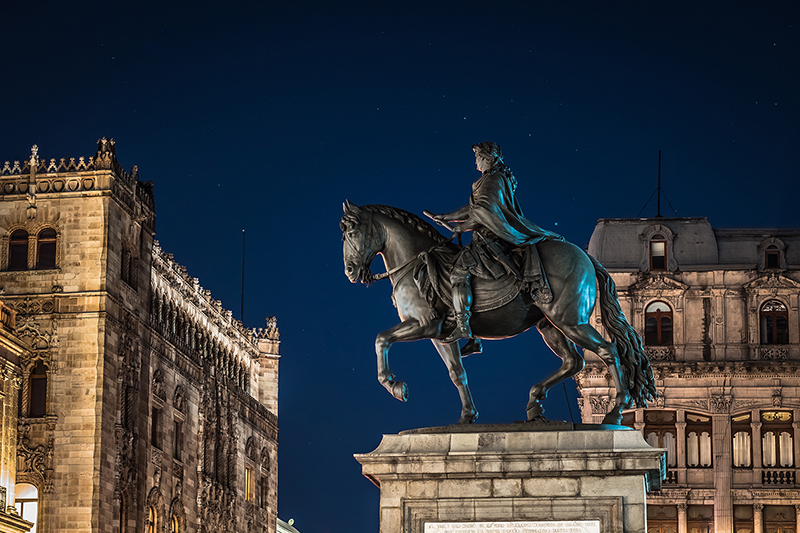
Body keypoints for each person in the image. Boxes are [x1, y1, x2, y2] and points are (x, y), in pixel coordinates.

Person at [434, 142, 563, 344]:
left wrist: (462, 226)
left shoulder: (493, 179)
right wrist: (447, 216)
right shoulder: (491, 179)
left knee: (459, 270)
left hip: (491, 238)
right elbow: (474, 208)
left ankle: (463, 325)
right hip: (487, 236)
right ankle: (475, 336)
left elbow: (485, 211)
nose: (476, 161)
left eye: (478, 156)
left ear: (488, 158)